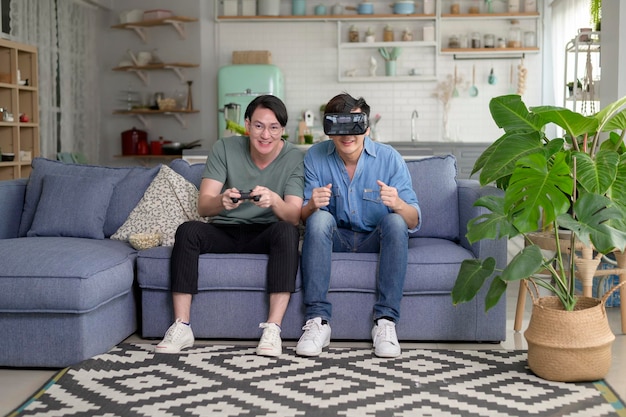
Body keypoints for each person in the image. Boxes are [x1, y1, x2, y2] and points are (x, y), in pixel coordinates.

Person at [156, 95, 304, 357]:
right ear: (247, 125)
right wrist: (222, 201)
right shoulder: (224, 148)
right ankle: (181, 326)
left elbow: (293, 215)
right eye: (258, 126)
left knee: (287, 231)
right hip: (225, 230)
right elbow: (203, 206)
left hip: (267, 233)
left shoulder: (294, 157)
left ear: (283, 130)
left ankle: (272, 329)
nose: (265, 135)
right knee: (188, 230)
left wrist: (274, 201)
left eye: (273, 128)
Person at [296, 93, 420, 358]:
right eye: (339, 125)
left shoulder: (390, 158)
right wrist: (310, 206)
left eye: (355, 123)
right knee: (318, 218)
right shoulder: (314, 158)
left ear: (367, 126)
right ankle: (318, 321)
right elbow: (305, 218)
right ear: (329, 129)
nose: (347, 133)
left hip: (374, 237)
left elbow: (413, 219)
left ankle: (385, 321)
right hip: (336, 237)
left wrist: (397, 203)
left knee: (396, 222)